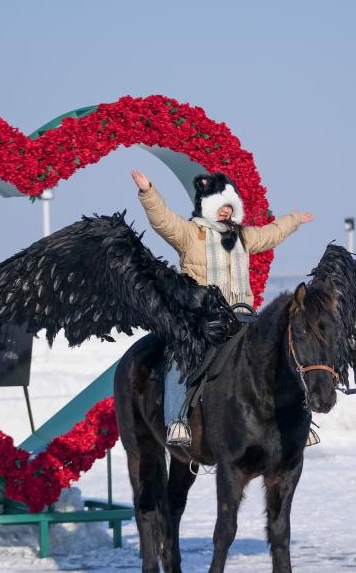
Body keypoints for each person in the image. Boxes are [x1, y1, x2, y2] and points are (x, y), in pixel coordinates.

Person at [132, 170, 314, 447]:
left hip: (242, 316)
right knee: (182, 354)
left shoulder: (243, 237)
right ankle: (176, 420)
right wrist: (148, 192)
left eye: (229, 206)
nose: (225, 211)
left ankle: (298, 420)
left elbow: (271, 234)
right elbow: (163, 220)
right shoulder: (190, 234)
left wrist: (294, 220)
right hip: (202, 318)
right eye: (220, 205)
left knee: (282, 352)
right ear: (207, 206)